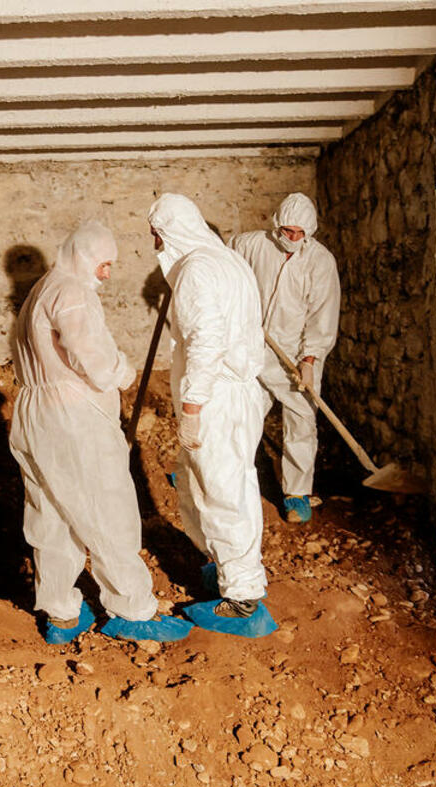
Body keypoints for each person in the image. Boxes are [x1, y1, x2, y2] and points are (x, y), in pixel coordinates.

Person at [8, 220, 193, 644]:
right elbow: (89, 353)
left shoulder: (40, 290)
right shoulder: (72, 292)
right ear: (83, 257)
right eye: (104, 264)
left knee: (51, 513)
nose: (107, 275)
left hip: (34, 412)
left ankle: (61, 614)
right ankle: (132, 610)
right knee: (106, 507)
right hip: (73, 417)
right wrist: (122, 372)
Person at [147, 194, 273, 627]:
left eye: (155, 235)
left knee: (222, 492)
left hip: (216, 397)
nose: (154, 244)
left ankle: (242, 600)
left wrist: (193, 405)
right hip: (238, 394)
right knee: (204, 484)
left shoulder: (197, 270)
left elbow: (206, 341)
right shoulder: (228, 261)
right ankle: (224, 568)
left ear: (167, 233)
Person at [229, 193, 341, 524]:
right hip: (254, 348)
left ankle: (297, 494)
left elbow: (322, 315)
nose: (292, 238)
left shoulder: (321, 262)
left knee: (301, 421)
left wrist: (310, 359)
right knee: (241, 415)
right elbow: (222, 266)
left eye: (299, 233)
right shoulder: (251, 245)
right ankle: (219, 477)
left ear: (310, 232)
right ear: (276, 224)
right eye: (287, 231)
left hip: (295, 354)